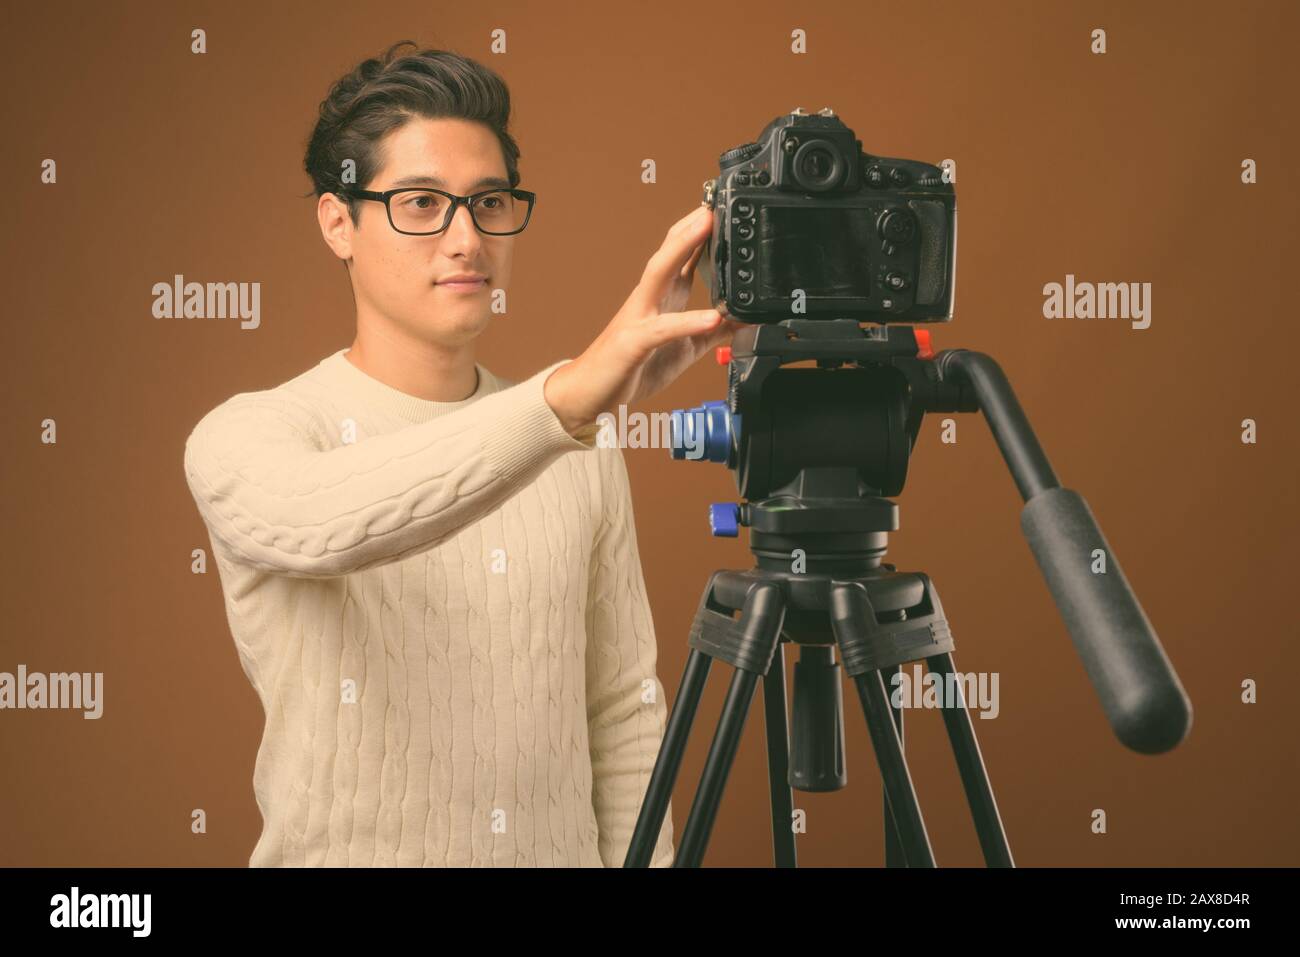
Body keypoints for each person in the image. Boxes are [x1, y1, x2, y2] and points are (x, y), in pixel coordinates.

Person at [182, 40, 742, 867]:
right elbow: (329, 519)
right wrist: (567, 398)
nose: (465, 239)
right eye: (419, 203)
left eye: (488, 202)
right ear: (339, 222)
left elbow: (621, 715)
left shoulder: (577, 444)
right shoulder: (248, 434)